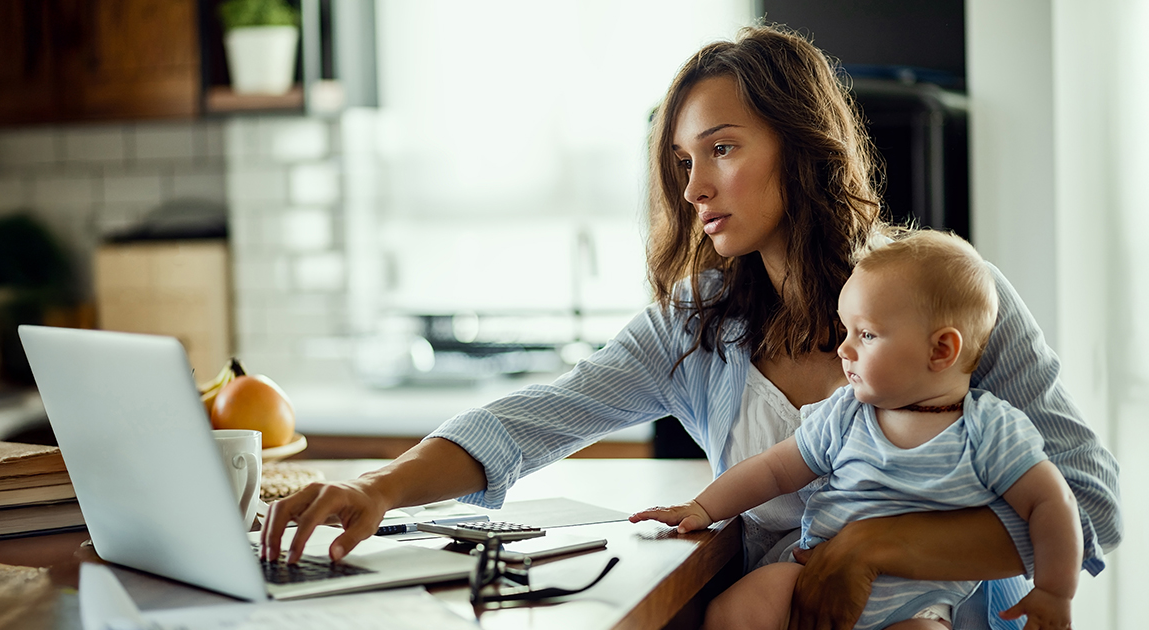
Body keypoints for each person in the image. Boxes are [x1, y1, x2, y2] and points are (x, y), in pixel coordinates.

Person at [261, 24, 1120, 629]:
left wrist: (872, 545)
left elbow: (1088, 504)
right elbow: (533, 419)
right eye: (682, 161)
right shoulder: (696, 324)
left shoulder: (949, 302)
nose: (694, 188)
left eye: (722, 148)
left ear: (801, 143)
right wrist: (378, 488)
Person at [630, 231, 1081, 630]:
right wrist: (703, 508)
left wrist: (1054, 592)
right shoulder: (846, 414)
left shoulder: (990, 430)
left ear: (941, 349)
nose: (843, 348)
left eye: (865, 334)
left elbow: (1053, 503)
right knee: (739, 609)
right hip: (810, 575)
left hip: (918, 607)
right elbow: (772, 471)